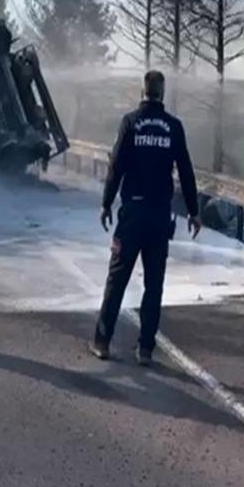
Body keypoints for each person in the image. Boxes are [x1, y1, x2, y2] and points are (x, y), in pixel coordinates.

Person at [92, 69, 202, 365]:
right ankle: (145, 349)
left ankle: (102, 342)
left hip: (132, 215)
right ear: (162, 93)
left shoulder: (130, 123)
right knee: (154, 285)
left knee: (117, 279)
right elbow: (186, 171)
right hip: (159, 216)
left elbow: (116, 167)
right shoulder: (173, 127)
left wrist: (106, 203)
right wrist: (194, 211)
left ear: (142, 92)